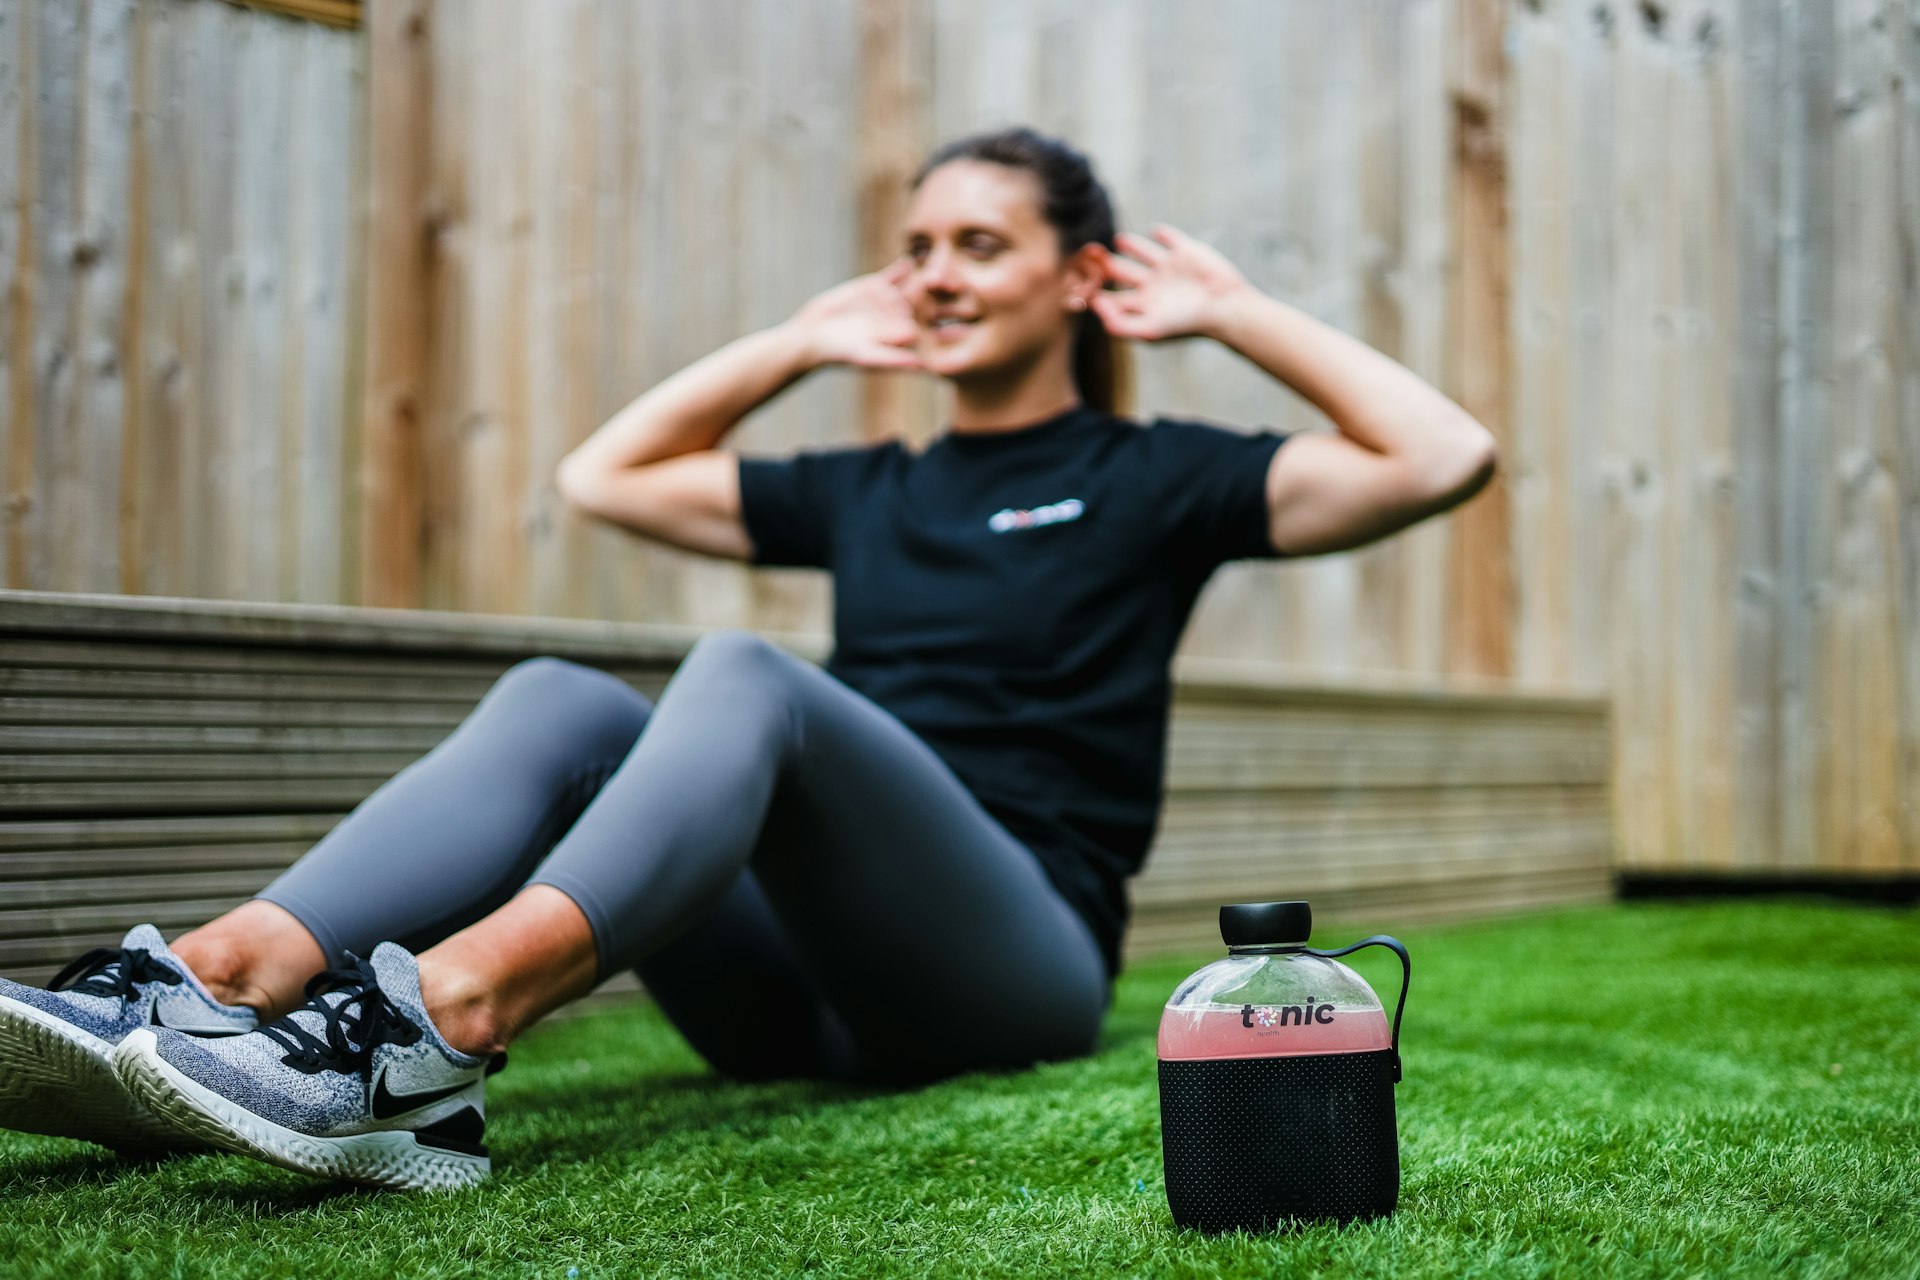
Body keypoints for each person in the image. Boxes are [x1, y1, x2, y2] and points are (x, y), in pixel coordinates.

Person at [0, 126, 1495, 1191]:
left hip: (1009, 966)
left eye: (980, 244)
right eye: (917, 248)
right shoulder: (868, 489)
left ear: (1078, 278)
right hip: (797, 991)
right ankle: (216, 986)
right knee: (564, 700)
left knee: (756, 677)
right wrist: (796, 344)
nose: (936, 275)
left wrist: (1232, 315)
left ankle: (431, 1029)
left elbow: (1444, 453)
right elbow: (605, 475)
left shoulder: (1161, 473)